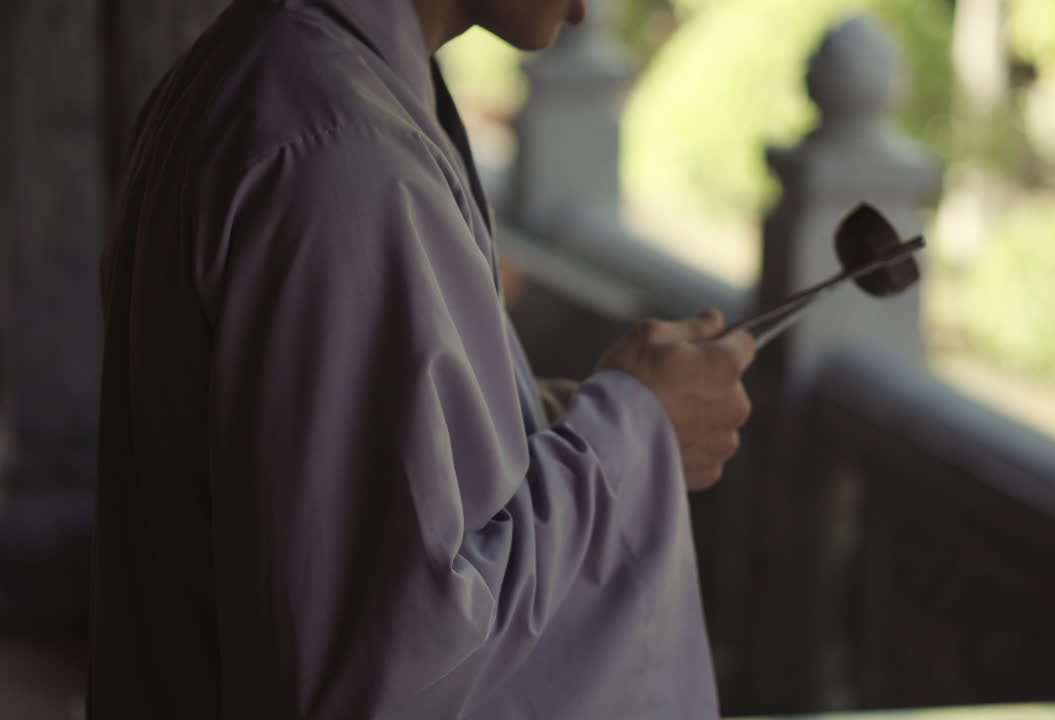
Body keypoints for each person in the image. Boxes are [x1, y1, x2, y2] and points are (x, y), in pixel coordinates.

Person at [90, 0, 756, 718]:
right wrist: (633, 433)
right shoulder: (337, 158)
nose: (589, 10)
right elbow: (381, 668)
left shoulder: (281, 72)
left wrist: (547, 415)